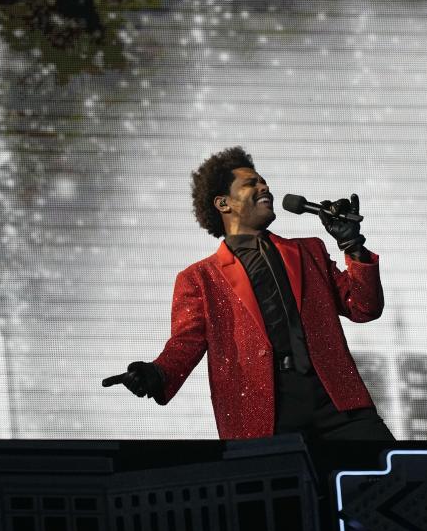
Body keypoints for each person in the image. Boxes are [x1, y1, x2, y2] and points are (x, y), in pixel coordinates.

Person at [103, 147, 394, 440]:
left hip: (338, 401)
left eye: (263, 181)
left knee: (394, 475)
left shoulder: (309, 251)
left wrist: (352, 244)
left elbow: (364, 307)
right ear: (223, 203)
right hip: (264, 411)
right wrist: (157, 373)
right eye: (250, 184)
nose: (264, 186)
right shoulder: (200, 279)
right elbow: (186, 342)